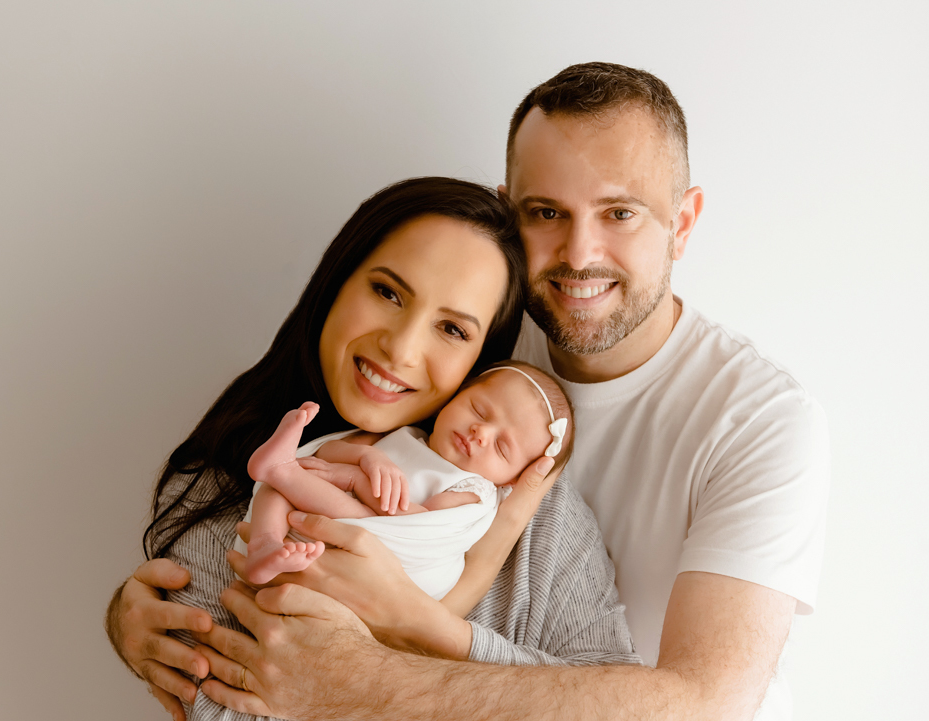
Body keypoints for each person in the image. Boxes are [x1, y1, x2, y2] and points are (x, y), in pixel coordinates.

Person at [140, 63, 830, 721]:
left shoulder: (757, 421)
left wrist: (369, 673)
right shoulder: (472, 351)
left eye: (620, 213)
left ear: (682, 222)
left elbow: (708, 706)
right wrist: (127, 615)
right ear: (509, 215)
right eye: (546, 211)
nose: (580, 253)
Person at [105, 176, 637, 721]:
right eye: (387, 293)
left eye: (453, 329)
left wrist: (401, 651)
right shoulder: (219, 486)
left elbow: (625, 705)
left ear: (482, 362)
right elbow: (222, 710)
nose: (401, 349)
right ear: (337, 282)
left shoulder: (535, 512)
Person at [242, 360, 575, 600]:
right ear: (457, 395)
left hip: (377, 538)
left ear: (513, 480)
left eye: (502, 447)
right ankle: (264, 544)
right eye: (479, 410)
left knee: (316, 492)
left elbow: (415, 524)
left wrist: (355, 479)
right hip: (310, 515)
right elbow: (326, 454)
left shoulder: (473, 491)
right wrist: (366, 456)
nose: (481, 433)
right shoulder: (410, 435)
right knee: (283, 484)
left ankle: (282, 471)